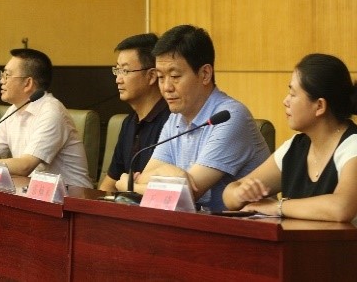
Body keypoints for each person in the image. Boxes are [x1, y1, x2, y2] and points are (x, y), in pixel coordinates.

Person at [115, 24, 270, 212]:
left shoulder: (230, 117)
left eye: (175, 76)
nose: (166, 87)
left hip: (242, 226)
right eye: (161, 77)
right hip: (193, 222)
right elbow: (148, 177)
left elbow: (184, 195)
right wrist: (169, 173)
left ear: (205, 74)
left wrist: (128, 185)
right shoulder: (176, 118)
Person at [223, 54, 357, 224]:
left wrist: (277, 207)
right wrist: (240, 194)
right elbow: (230, 193)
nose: (285, 101)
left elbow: (342, 208)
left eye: (293, 94)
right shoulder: (294, 146)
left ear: (319, 106)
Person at [0, 48, 93, 188]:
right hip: (34, 193)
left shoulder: (51, 112)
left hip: (73, 198)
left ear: (27, 83)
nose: (1, 80)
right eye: (2, 74)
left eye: (7, 75)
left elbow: (25, 166)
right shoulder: (14, 110)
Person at [98, 33, 170, 192]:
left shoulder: (171, 122)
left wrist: (129, 186)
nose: (118, 79)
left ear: (152, 76)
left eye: (125, 71)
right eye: (117, 70)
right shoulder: (129, 122)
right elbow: (109, 184)